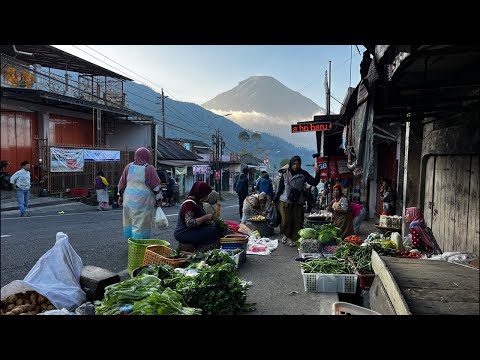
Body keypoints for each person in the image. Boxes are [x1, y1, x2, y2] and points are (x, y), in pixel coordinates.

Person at [273, 155, 321, 247]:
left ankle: (292, 239)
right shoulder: (285, 174)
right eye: (294, 164)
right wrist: (276, 198)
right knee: (286, 221)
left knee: (296, 222)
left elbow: (314, 182)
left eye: (298, 164)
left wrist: (318, 173)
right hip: (285, 201)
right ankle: (285, 235)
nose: (296, 166)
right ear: (291, 164)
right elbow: (281, 188)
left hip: (298, 202)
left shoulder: (303, 174)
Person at [118, 147, 162, 240]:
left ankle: (131, 242)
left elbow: (121, 184)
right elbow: (156, 188)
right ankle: (139, 244)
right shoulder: (149, 169)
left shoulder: (128, 167)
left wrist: (120, 196)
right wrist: (159, 200)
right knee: (141, 224)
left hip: (128, 200)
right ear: (147, 156)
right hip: (143, 202)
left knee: (129, 221)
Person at [174, 181, 223, 251]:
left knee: (216, 228)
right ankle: (205, 251)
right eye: (205, 194)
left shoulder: (197, 202)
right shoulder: (189, 204)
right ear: (200, 193)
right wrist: (205, 217)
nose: (206, 197)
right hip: (183, 232)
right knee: (213, 231)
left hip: (190, 231)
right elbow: (190, 223)